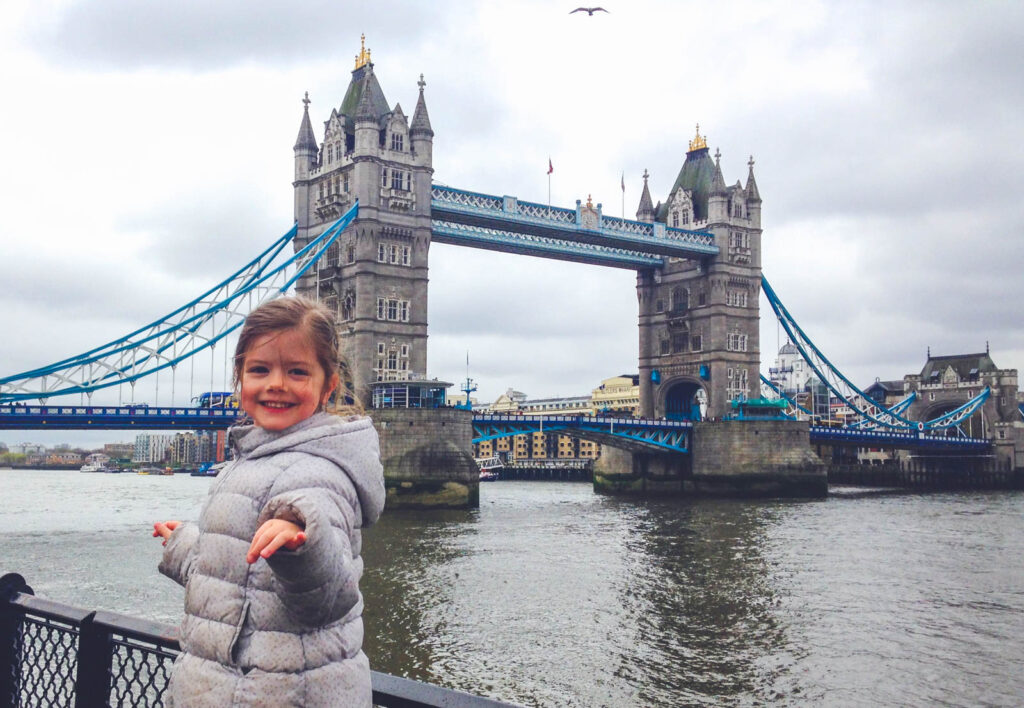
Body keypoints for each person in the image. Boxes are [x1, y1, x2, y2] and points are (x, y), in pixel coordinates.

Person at [152, 296, 385, 707]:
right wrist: (188, 546)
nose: (276, 383)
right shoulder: (248, 461)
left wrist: (302, 545)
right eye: (260, 369)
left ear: (327, 385)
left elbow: (330, 596)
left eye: (297, 372)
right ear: (240, 381)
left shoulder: (321, 473)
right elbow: (243, 580)